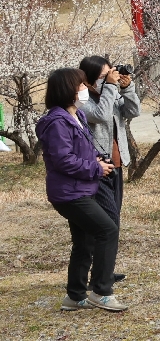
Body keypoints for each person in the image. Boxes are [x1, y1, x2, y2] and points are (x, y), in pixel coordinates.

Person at [35, 68, 128, 312]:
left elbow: (81, 151)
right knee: (108, 230)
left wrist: (97, 160)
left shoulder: (76, 116)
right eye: (81, 85)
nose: (86, 89)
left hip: (81, 188)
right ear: (69, 90)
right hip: (69, 193)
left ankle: (75, 296)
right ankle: (101, 291)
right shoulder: (57, 121)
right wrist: (96, 168)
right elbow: (62, 160)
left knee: (84, 241)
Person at [78, 57, 140, 244]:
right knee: (107, 220)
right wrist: (111, 87)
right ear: (88, 80)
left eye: (110, 74)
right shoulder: (83, 101)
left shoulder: (111, 93)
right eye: (104, 76)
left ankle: (107, 269)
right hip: (97, 165)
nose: (109, 79)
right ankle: (102, 268)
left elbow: (133, 112)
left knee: (114, 215)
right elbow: (100, 115)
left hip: (117, 163)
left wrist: (127, 88)